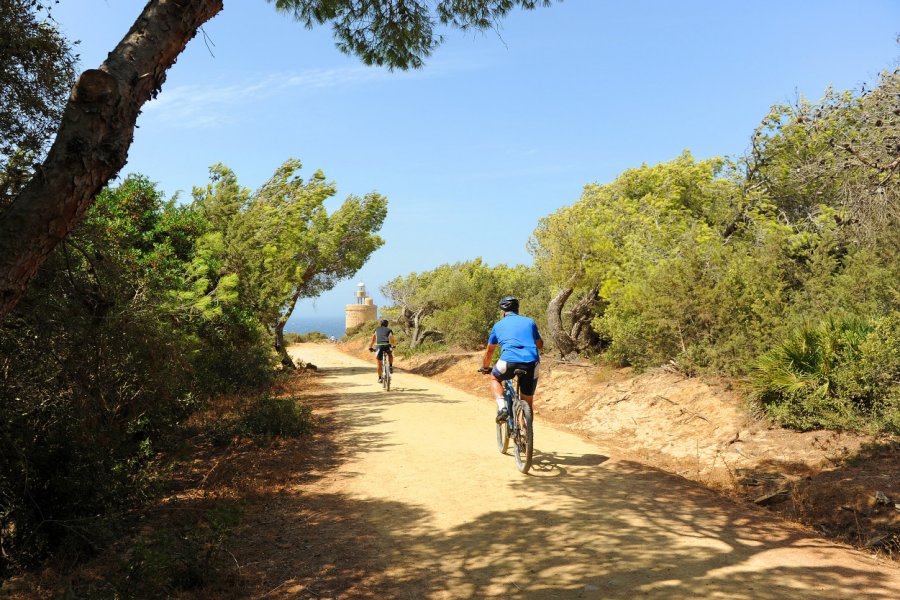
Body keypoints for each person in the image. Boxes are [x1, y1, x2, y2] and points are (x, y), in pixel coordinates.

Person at [479, 296, 543, 423]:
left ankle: (502, 407)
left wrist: (485, 367)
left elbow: (490, 351)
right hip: (531, 363)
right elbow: (540, 345)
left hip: (508, 362)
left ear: (502, 312)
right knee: (527, 402)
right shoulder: (530, 322)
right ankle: (525, 434)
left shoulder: (498, 325)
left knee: (494, 378)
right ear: (518, 309)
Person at [369, 319, 396, 383]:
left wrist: (370, 347)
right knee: (390, 354)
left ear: (380, 324)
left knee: (379, 363)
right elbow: (392, 340)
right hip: (387, 345)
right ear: (387, 324)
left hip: (379, 346)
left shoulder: (376, 330)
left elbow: (373, 340)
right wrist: (394, 345)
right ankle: (391, 366)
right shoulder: (389, 330)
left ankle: (380, 378)